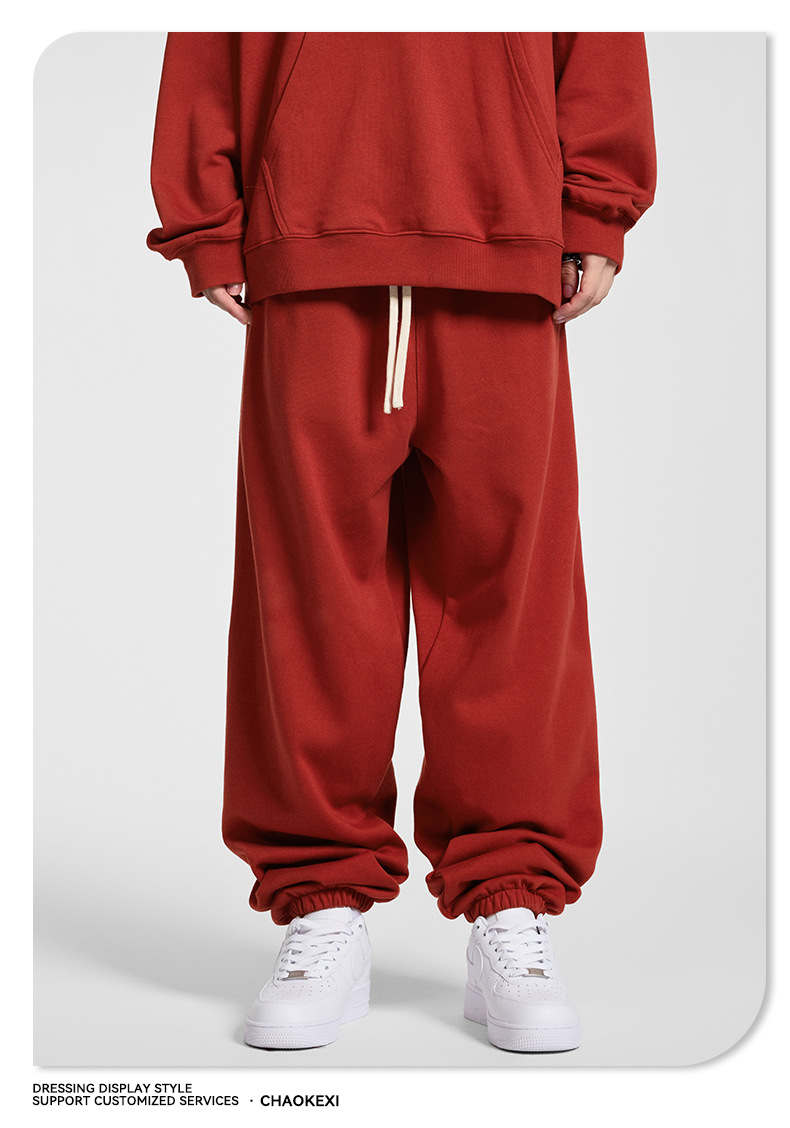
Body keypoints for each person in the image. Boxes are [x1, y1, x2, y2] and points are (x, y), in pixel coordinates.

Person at [146, 31, 657, 1054]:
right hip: (310, 228)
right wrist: (208, 219)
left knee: (513, 596)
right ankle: (321, 903)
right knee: (309, 600)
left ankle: (512, 900)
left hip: (501, 228)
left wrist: (595, 201)